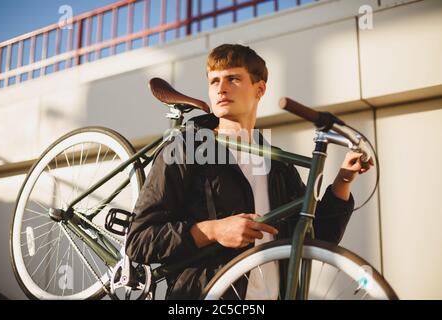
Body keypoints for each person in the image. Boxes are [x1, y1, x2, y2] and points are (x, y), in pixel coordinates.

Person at [125, 44, 373, 299]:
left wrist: (343, 182)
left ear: (260, 88)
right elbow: (139, 241)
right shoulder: (185, 149)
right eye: (214, 81)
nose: (221, 88)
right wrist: (214, 230)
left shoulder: (278, 163)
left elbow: (315, 239)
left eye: (233, 79)